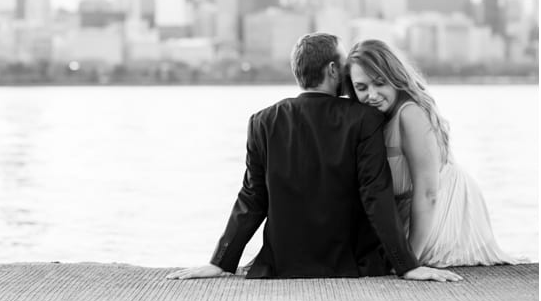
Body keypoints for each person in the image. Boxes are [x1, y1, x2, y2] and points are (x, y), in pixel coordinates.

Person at [167, 32, 462, 281]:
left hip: (282, 263)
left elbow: (252, 197)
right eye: (345, 68)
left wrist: (220, 260)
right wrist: (408, 266)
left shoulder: (261, 121)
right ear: (333, 70)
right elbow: (376, 196)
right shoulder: (364, 119)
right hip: (352, 263)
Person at [342, 39, 523, 267]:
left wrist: (410, 263)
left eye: (380, 83)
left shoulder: (410, 114)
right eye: (362, 87)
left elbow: (428, 193)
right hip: (409, 213)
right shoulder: (373, 118)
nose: (372, 94)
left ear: (395, 78)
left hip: (444, 211)